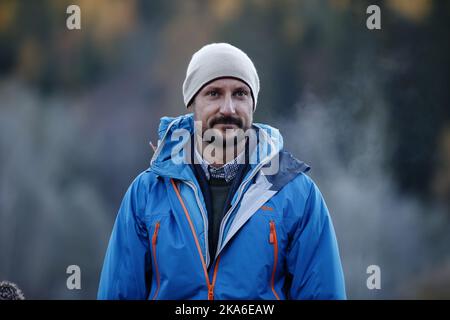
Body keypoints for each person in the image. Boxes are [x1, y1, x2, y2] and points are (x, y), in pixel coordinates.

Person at [97, 43, 346, 300]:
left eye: (240, 94)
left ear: (252, 104)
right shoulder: (147, 193)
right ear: (192, 103)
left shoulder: (298, 195)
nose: (228, 108)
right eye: (214, 93)